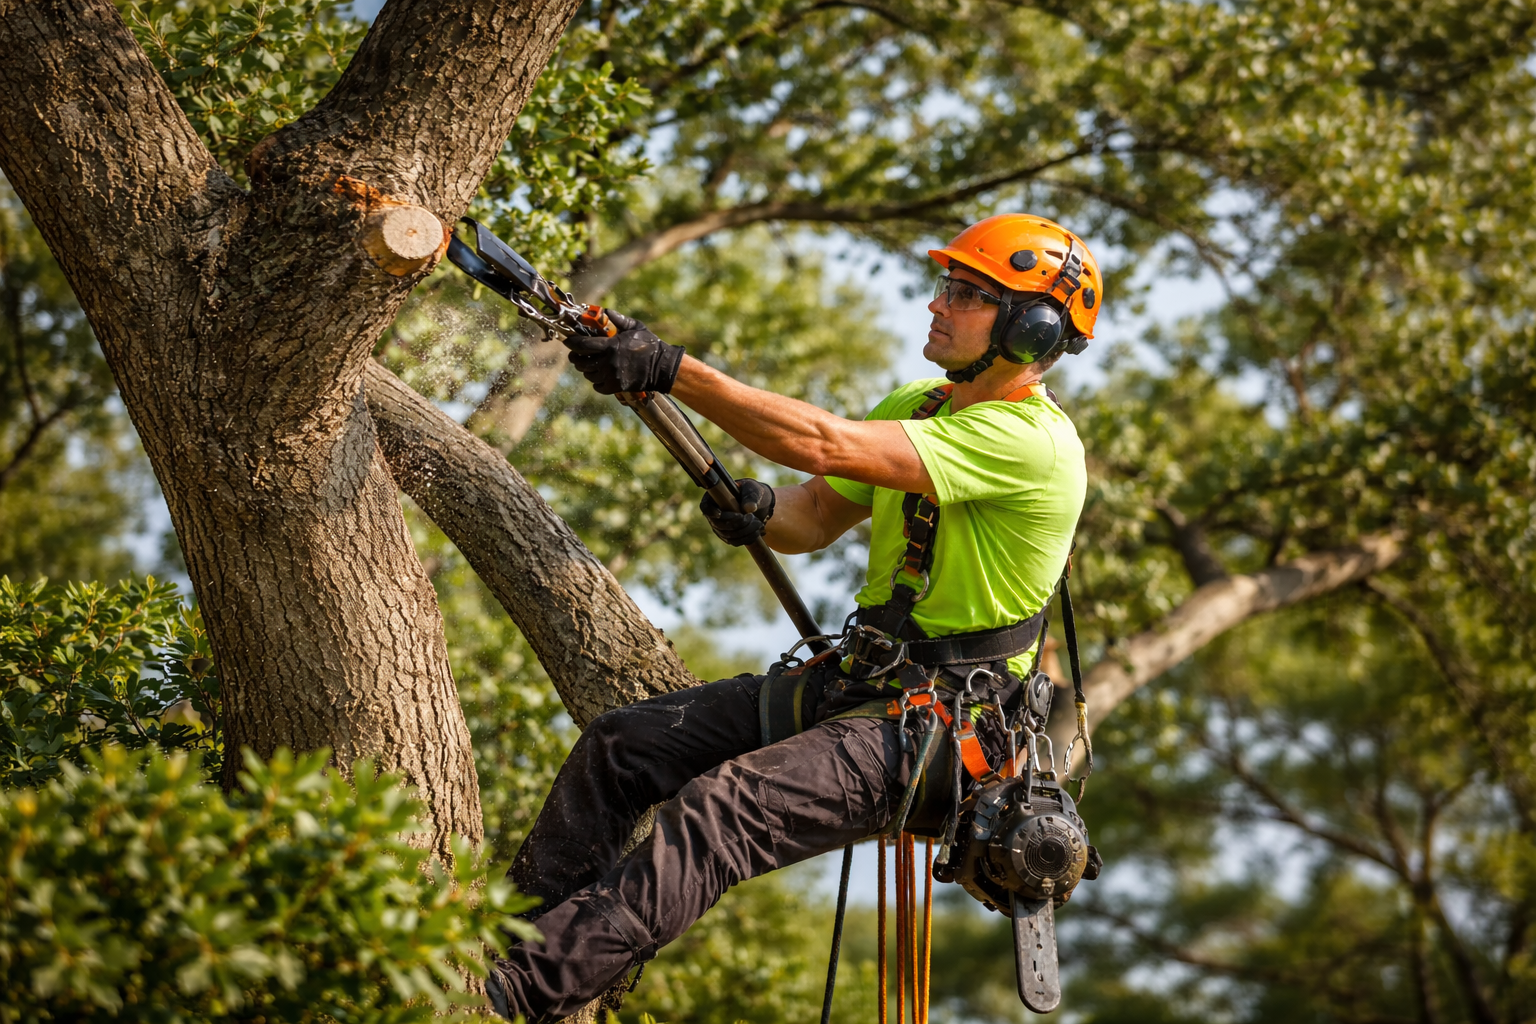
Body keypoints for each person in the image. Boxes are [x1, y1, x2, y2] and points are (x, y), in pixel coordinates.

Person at [486, 214, 1099, 1022]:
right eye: (945, 286)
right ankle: (511, 943)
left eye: (964, 293)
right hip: (859, 685)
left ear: (1032, 327)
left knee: (724, 810)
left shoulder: (1033, 442)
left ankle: (510, 998)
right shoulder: (923, 404)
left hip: (938, 730)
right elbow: (811, 516)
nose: (935, 306)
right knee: (623, 745)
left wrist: (672, 370)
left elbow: (822, 443)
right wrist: (758, 509)